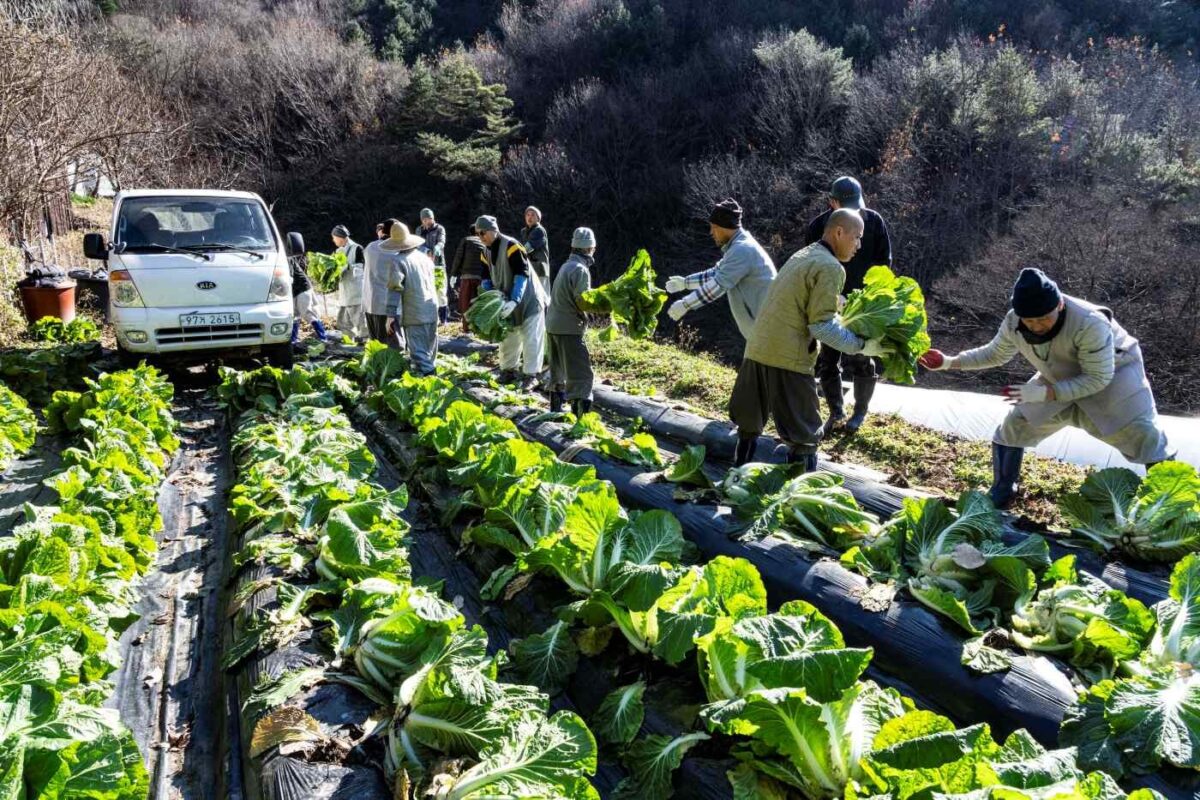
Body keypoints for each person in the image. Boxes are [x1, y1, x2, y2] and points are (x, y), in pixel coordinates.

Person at [919, 268, 1173, 509]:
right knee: (1016, 423)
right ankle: (1004, 489)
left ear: (1059, 305)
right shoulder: (1014, 321)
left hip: (1114, 375)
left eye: (1043, 319)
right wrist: (950, 362)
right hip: (1058, 373)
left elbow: (1097, 378)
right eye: (1030, 320)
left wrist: (1046, 393)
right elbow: (996, 353)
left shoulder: (1090, 322)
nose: (1037, 326)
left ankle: (1164, 502)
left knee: (1144, 434)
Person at [729, 209, 891, 469]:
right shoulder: (831, 267)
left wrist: (838, 305)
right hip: (788, 358)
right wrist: (862, 346)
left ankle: (735, 479)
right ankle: (797, 500)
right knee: (805, 436)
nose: (859, 245)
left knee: (748, 424)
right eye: (857, 237)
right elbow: (821, 327)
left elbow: (799, 302)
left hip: (757, 349)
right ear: (839, 232)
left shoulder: (803, 255)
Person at [804, 176, 893, 435]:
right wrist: (831, 297)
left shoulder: (874, 222)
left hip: (863, 306)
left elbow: (884, 265)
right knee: (828, 360)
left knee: (863, 357)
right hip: (831, 301)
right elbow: (810, 265)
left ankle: (860, 412)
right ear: (832, 203)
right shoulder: (818, 227)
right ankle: (836, 412)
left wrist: (869, 300)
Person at [663, 199, 776, 341]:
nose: (711, 232)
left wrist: (685, 304)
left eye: (713, 227)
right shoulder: (739, 247)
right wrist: (685, 283)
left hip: (769, 331)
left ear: (724, 226)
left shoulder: (742, 250)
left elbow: (718, 285)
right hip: (761, 330)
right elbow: (716, 273)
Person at [475, 214, 548, 388]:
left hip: (529, 299)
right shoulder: (485, 252)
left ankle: (531, 375)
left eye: (482, 233)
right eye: (477, 233)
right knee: (508, 337)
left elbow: (521, 274)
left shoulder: (512, 245)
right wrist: (492, 299)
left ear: (493, 231)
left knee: (531, 338)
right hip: (505, 301)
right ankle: (508, 371)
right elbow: (486, 279)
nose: (480, 237)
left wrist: (515, 299)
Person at [546, 227, 608, 416]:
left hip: (552, 325)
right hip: (569, 328)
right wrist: (606, 306)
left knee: (558, 371)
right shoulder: (581, 270)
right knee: (581, 375)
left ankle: (555, 413)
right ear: (590, 248)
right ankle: (580, 419)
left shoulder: (566, 266)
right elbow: (582, 300)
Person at [381, 222, 440, 374]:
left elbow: (394, 289)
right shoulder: (425, 258)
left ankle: (433, 382)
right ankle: (426, 384)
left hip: (415, 314)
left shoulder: (398, 261)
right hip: (432, 309)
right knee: (430, 352)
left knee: (419, 353)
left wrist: (390, 315)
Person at [363, 218, 403, 349]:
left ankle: (376, 369)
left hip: (370, 304)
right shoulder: (396, 250)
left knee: (375, 346)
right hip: (389, 306)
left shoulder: (370, 247)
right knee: (393, 348)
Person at [331, 224, 367, 342]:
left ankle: (366, 342)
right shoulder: (337, 251)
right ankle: (348, 343)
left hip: (356, 291)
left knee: (360, 321)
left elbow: (362, 268)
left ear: (340, 237)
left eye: (334, 237)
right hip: (344, 293)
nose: (333, 240)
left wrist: (346, 267)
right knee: (343, 322)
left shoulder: (357, 248)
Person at [449, 224, 487, 333]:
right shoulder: (484, 242)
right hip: (481, 277)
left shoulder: (466, 240)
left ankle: (467, 329)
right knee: (478, 302)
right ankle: (479, 328)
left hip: (467, 276)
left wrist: (454, 274)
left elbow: (458, 258)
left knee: (465, 304)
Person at [290, 252, 329, 346]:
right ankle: (293, 340)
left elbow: (289, 278)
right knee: (294, 315)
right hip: (294, 291)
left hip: (302, 288)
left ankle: (323, 338)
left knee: (307, 313)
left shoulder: (287, 260)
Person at [418, 208, 449, 324]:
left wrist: (436, 249)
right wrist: (426, 251)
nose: (428, 221)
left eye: (430, 218)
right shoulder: (419, 230)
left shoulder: (439, 228)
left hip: (438, 265)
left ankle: (444, 319)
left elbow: (442, 242)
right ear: (422, 220)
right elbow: (418, 244)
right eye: (426, 219)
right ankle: (431, 317)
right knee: (426, 291)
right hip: (423, 265)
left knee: (440, 291)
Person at [521, 206, 552, 295]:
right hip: (529, 269)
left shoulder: (539, 230)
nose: (529, 217)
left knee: (542, 297)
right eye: (527, 215)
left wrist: (514, 253)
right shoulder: (523, 231)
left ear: (538, 218)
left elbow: (527, 248)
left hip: (540, 270)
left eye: (533, 215)